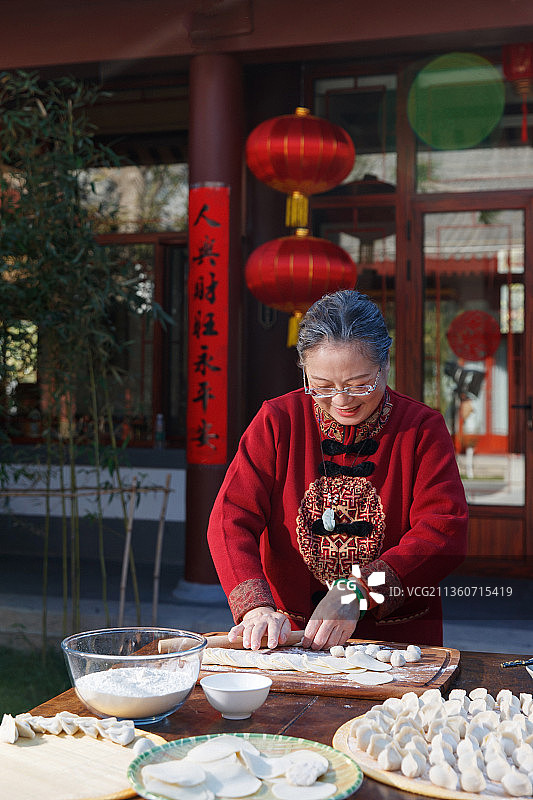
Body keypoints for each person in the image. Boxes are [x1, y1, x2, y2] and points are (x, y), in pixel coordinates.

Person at [207, 290, 468, 651]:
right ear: (304, 371)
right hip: (289, 636)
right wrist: (256, 609)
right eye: (322, 387)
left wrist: (359, 590)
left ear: (385, 365)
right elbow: (231, 517)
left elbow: (444, 530)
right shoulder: (277, 421)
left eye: (360, 384)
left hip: (397, 642)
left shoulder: (422, 429)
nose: (342, 400)